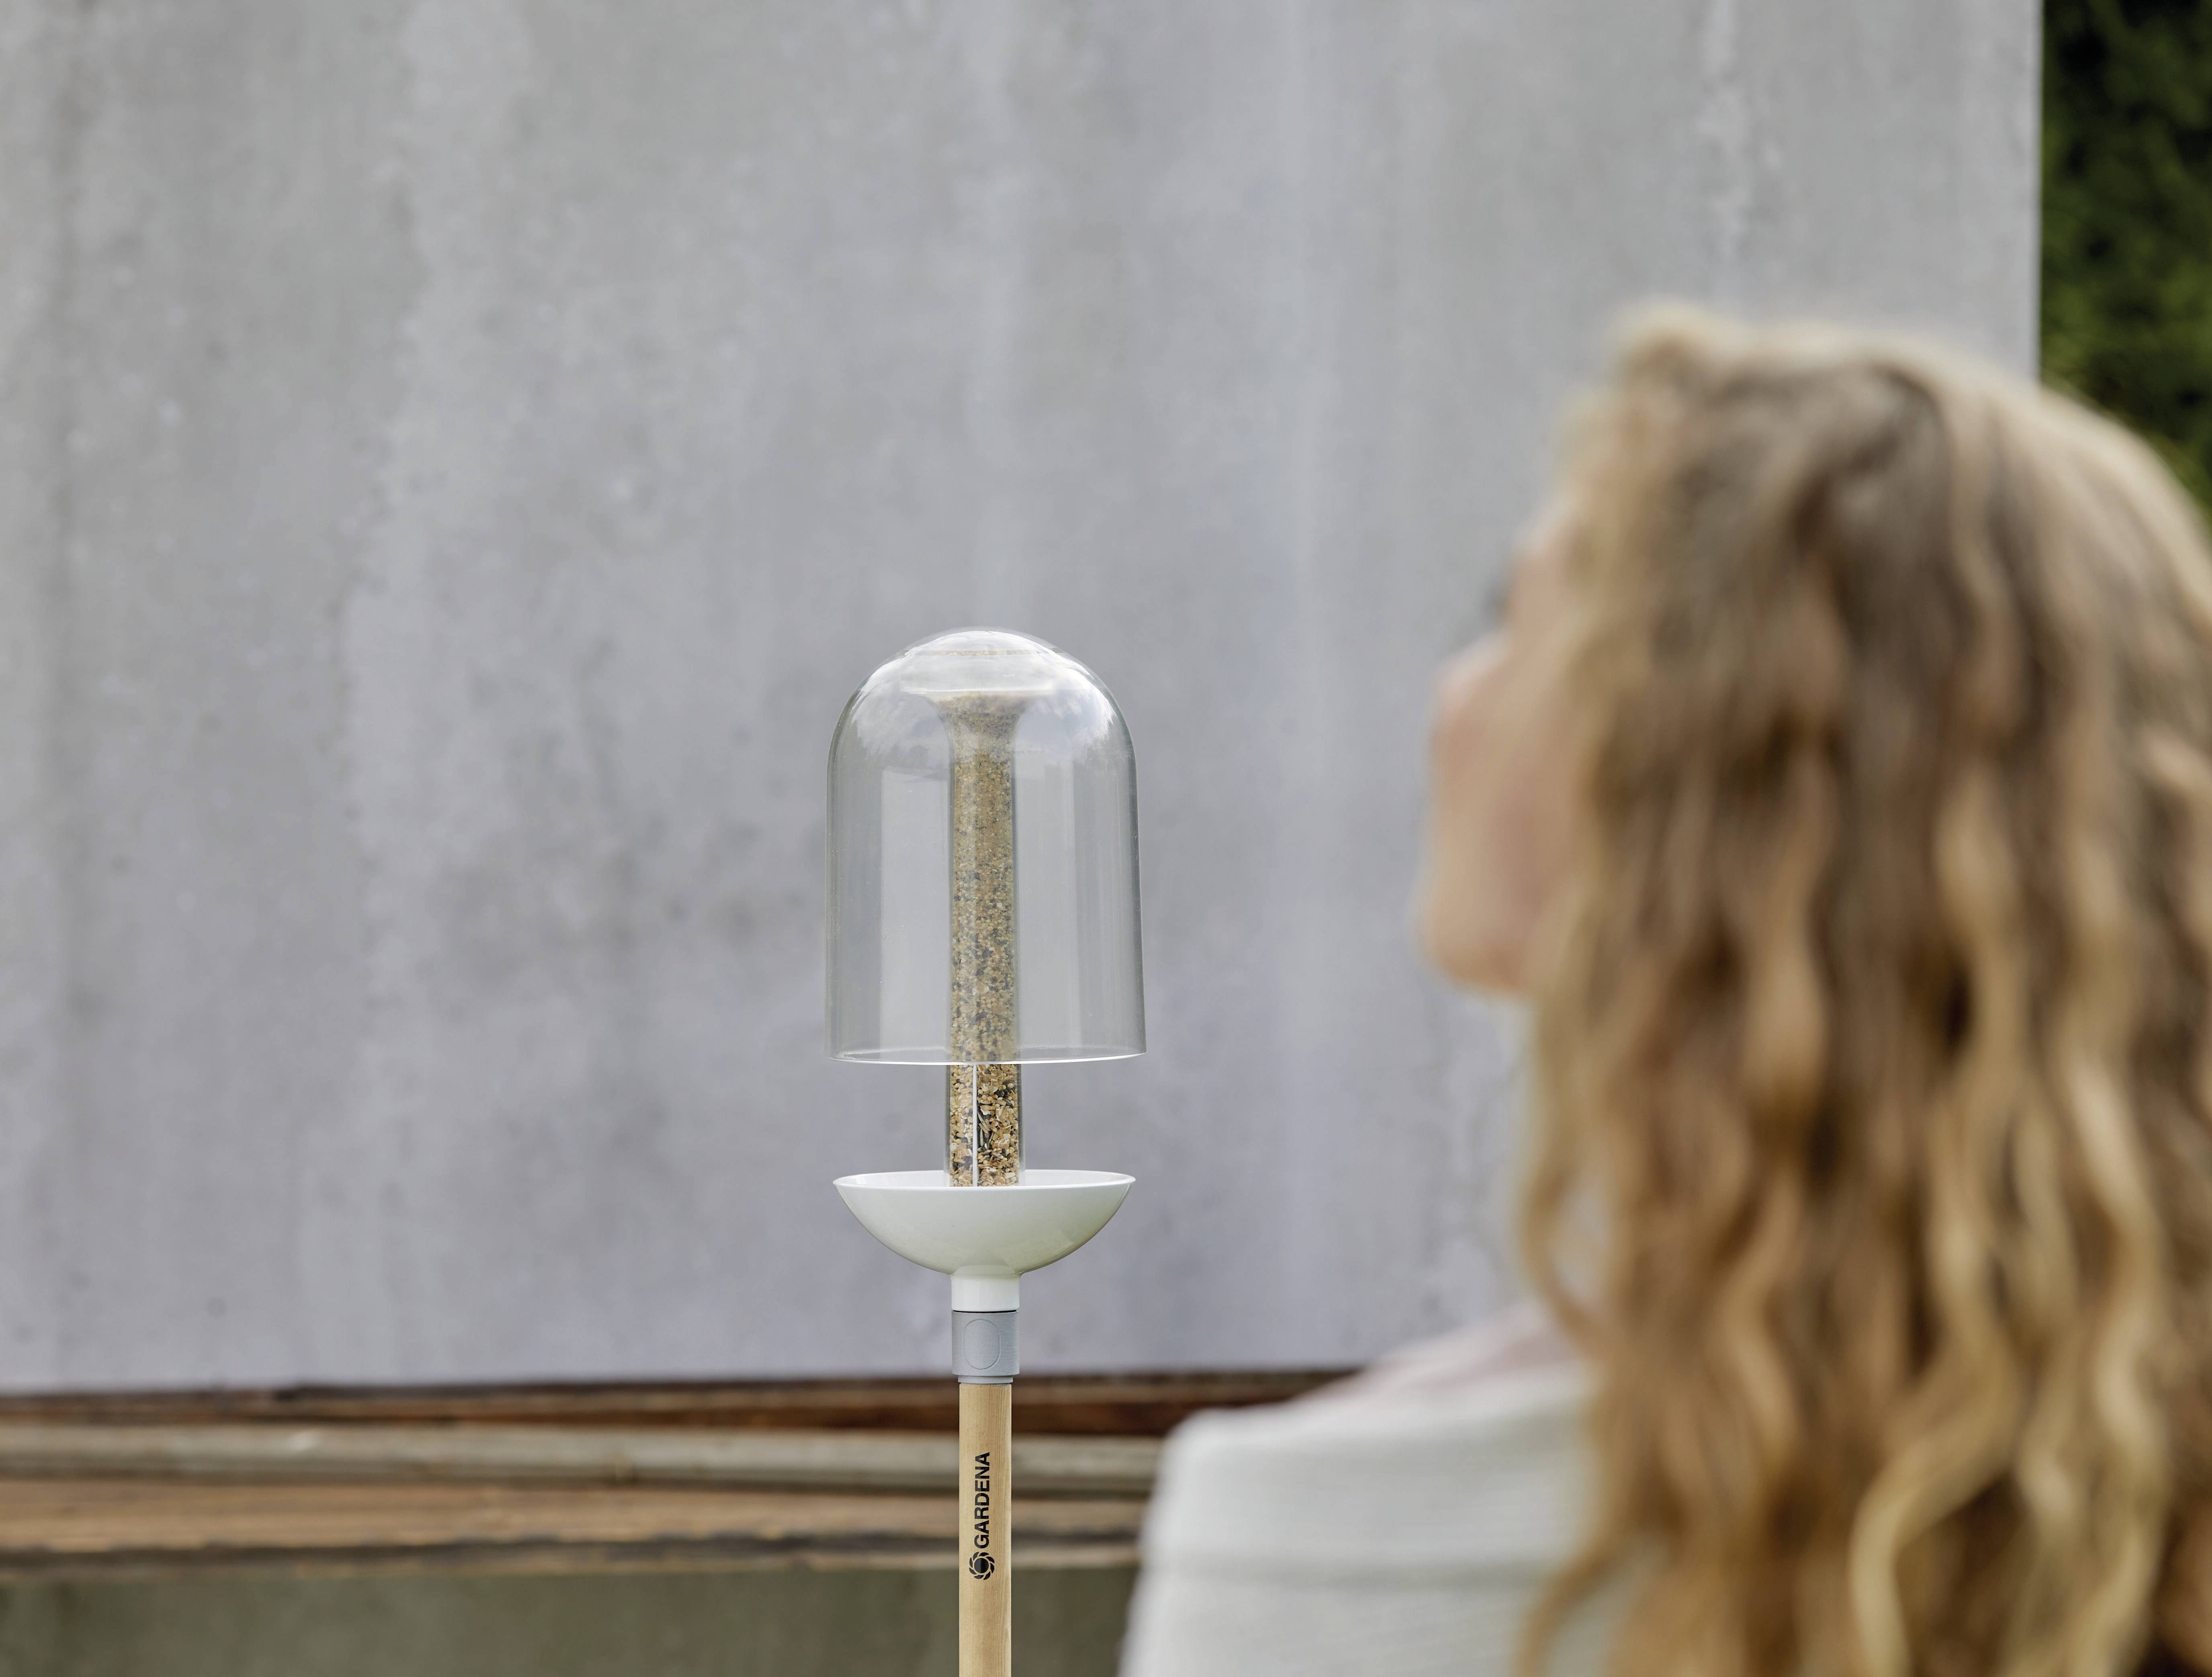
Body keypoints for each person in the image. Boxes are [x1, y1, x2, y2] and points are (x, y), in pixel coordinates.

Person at [1120, 306, 2212, 1677]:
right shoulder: (2142, 1489)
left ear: (1665, 799)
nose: (1454, 696)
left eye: (1505, 623)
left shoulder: (1342, 1535)